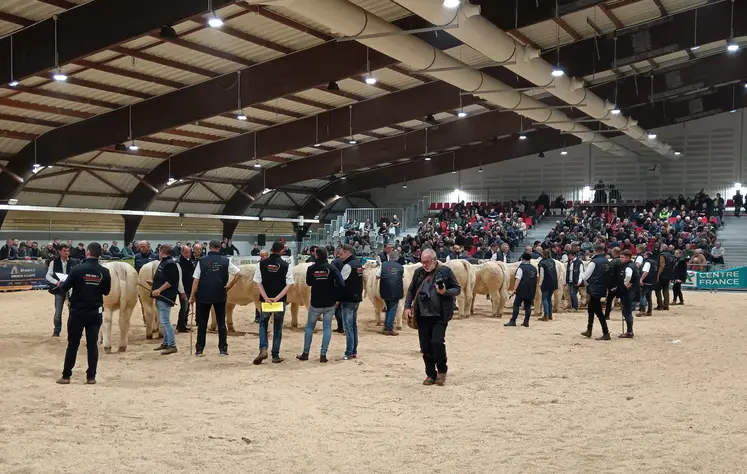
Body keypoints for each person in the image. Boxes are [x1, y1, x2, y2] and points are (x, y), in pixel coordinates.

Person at [56, 243, 111, 385]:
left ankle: (66, 376)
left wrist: (60, 285)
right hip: (95, 312)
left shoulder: (77, 269)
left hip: (77, 312)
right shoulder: (104, 272)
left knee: (73, 344)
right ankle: (91, 377)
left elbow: (65, 287)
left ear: (87, 252)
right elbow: (106, 291)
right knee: (92, 345)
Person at [404, 248, 461, 386]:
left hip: (440, 315)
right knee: (425, 346)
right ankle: (430, 374)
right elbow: (411, 291)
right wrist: (406, 307)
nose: (424, 265)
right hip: (422, 315)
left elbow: (457, 289)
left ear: (435, 260)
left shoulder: (445, 271)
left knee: (437, 343)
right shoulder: (418, 273)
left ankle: (442, 371)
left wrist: (444, 291)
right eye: (422, 262)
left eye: (427, 262)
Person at [190, 240, 242, 357]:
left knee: (202, 323)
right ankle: (223, 349)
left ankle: (199, 349)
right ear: (219, 248)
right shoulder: (226, 260)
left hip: (204, 295)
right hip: (220, 294)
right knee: (221, 323)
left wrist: (192, 296)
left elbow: (196, 280)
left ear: (209, 247)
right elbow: (239, 274)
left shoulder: (202, 261)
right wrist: (229, 286)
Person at [297, 247, 344, 363]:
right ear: (327, 255)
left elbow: (308, 282)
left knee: (309, 327)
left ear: (316, 255)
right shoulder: (332, 268)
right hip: (329, 303)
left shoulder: (312, 268)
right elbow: (341, 283)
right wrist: (337, 296)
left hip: (316, 302)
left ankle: (305, 353)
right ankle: (323, 355)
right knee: (327, 328)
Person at [253, 241, 294, 364]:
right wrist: (277, 298)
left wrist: (266, 297)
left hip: (265, 301)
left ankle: (263, 348)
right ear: (282, 251)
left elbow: (257, 282)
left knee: (263, 324)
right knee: (278, 327)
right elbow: (290, 284)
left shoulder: (261, 264)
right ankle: (275, 355)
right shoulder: (286, 265)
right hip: (279, 301)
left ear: (271, 250)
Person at [150, 244, 180, 355]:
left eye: (159, 251)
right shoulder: (164, 262)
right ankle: (166, 343)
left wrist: (159, 290)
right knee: (163, 321)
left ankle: (172, 345)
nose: (158, 253)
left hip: (165, 296)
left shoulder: (170, 264)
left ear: (162, 252)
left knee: (166, 322)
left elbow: (170, 281)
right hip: (160, 296)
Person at [45, 243, 79, 337]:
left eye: (68, 251)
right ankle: (56, 331)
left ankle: (72, 331)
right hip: (59, 289)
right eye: (64, 251)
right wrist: (56, 282)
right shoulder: (53, 262)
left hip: (71, 290)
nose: (67, 252)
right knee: (57, 313)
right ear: (59, 251)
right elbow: (48, 275)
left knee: (72, 312)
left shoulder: (74, 262)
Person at [580, 244, 611, 340]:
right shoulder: (606, 261)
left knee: (598, 311)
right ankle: (589, 330)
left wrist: (581, 271)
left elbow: (585, 276)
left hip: (594, 288)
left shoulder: (594, 262)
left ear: (595, 251)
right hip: (602, 287)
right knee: (590, 309)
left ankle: (606, 332)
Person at [339, 244, 363, 360]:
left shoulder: (348, 266)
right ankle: (354, 351)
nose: (340, 256)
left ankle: (349, 352)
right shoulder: (358, 264)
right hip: (356, 298)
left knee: (348, 326)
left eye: (342, 253)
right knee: (353, 325)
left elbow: (340, 283)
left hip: (348, 299)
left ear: (348, 253)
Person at [505, 253, 537, 327]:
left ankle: (513, 321)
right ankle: (526, 322)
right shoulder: (534, 268)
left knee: (516, 305)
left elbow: (518, 279)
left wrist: (514, 289)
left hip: (521, 290)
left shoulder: (521, 268)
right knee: (528, 306)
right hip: (531, 290)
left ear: (522, 259)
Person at [377, 250, 404, 336]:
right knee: (392, 309)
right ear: (397, 258)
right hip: (396, 291)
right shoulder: (401, 267)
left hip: (384, 290)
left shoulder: (383, 265)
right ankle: (389, 329)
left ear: (389, 257)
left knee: (388, 308)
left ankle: (386, 327)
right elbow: (401, 276)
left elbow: (377, 276)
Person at [617, 250, 637, 338]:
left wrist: (625, 284)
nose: (620, 259)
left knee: (627, 311)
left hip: (628, 292)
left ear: (628, 258)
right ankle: (629, 331)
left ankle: (629, 331)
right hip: (630, 291)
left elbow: (628, 276)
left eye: (622, 257)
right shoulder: (629, 265)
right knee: (627, 311)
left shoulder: (628, 267)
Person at [176, 244, 195, 333]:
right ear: (182, 252)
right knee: (184, 307)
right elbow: (179, 278)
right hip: (183, 289)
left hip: (189, 288)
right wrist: (182, 291)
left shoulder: (188, 261)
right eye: (186, 252)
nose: (188, 254)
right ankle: (180, 326)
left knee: (186, 308)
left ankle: (184, 324)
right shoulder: (179, 262)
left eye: (189, 252)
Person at [538, 250, 557, 321]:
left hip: (546, 282)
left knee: (544, 299)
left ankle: (545, 315)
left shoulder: (542, 263)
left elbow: (542, 275)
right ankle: (550, 315)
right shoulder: (552, 261)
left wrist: (540, 283)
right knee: (549, 299)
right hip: (553, 282)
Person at [604, 247, 622, 320]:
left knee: (609, 300)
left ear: (614, 252)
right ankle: (626, 315)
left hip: (613, 284)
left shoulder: (613, 262)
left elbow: (610, 273)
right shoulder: (622, 261)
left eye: (612, 251)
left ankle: (607, 315)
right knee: (624, 300)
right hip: (622, 284)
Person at [637, 251, 657, 317]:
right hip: (652, 281)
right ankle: (649, 311)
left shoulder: (647, 262)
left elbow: (646, 272)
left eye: (644, 255)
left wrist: (641, 279)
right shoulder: (654, 262)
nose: (643, 256)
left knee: (642, 295)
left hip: (646, 281)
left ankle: (642, 310)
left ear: (647, 256)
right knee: (649, 297)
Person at [655, 243, 674, 311]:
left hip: (662, 275)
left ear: (663, 248)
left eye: (661, 248)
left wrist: (658, 274)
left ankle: (660, 305)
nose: (660, 249)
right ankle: (666, 305)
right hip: (668, 275)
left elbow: (662, 265)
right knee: (666, 290)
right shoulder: (671, 255)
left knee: (658, 290)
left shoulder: (662, 255)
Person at [331, 248, 345, 334]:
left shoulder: (334, 262)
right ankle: (344, 326)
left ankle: (341, 327)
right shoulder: (347, 262)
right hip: (347, 286)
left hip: (337, 286)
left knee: (337, 309)